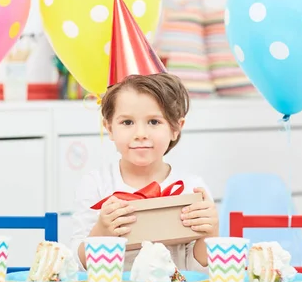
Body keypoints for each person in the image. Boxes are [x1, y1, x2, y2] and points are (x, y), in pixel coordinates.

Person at [69, 73, 219, 272]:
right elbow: (75, 266)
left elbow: (199, 271)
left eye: (154, 122)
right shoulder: (96, 184)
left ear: (176, 128)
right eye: (127, 123)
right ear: (109, 128)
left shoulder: (191, 187)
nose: (140, 134)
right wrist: (101, 232)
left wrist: (209, 233)